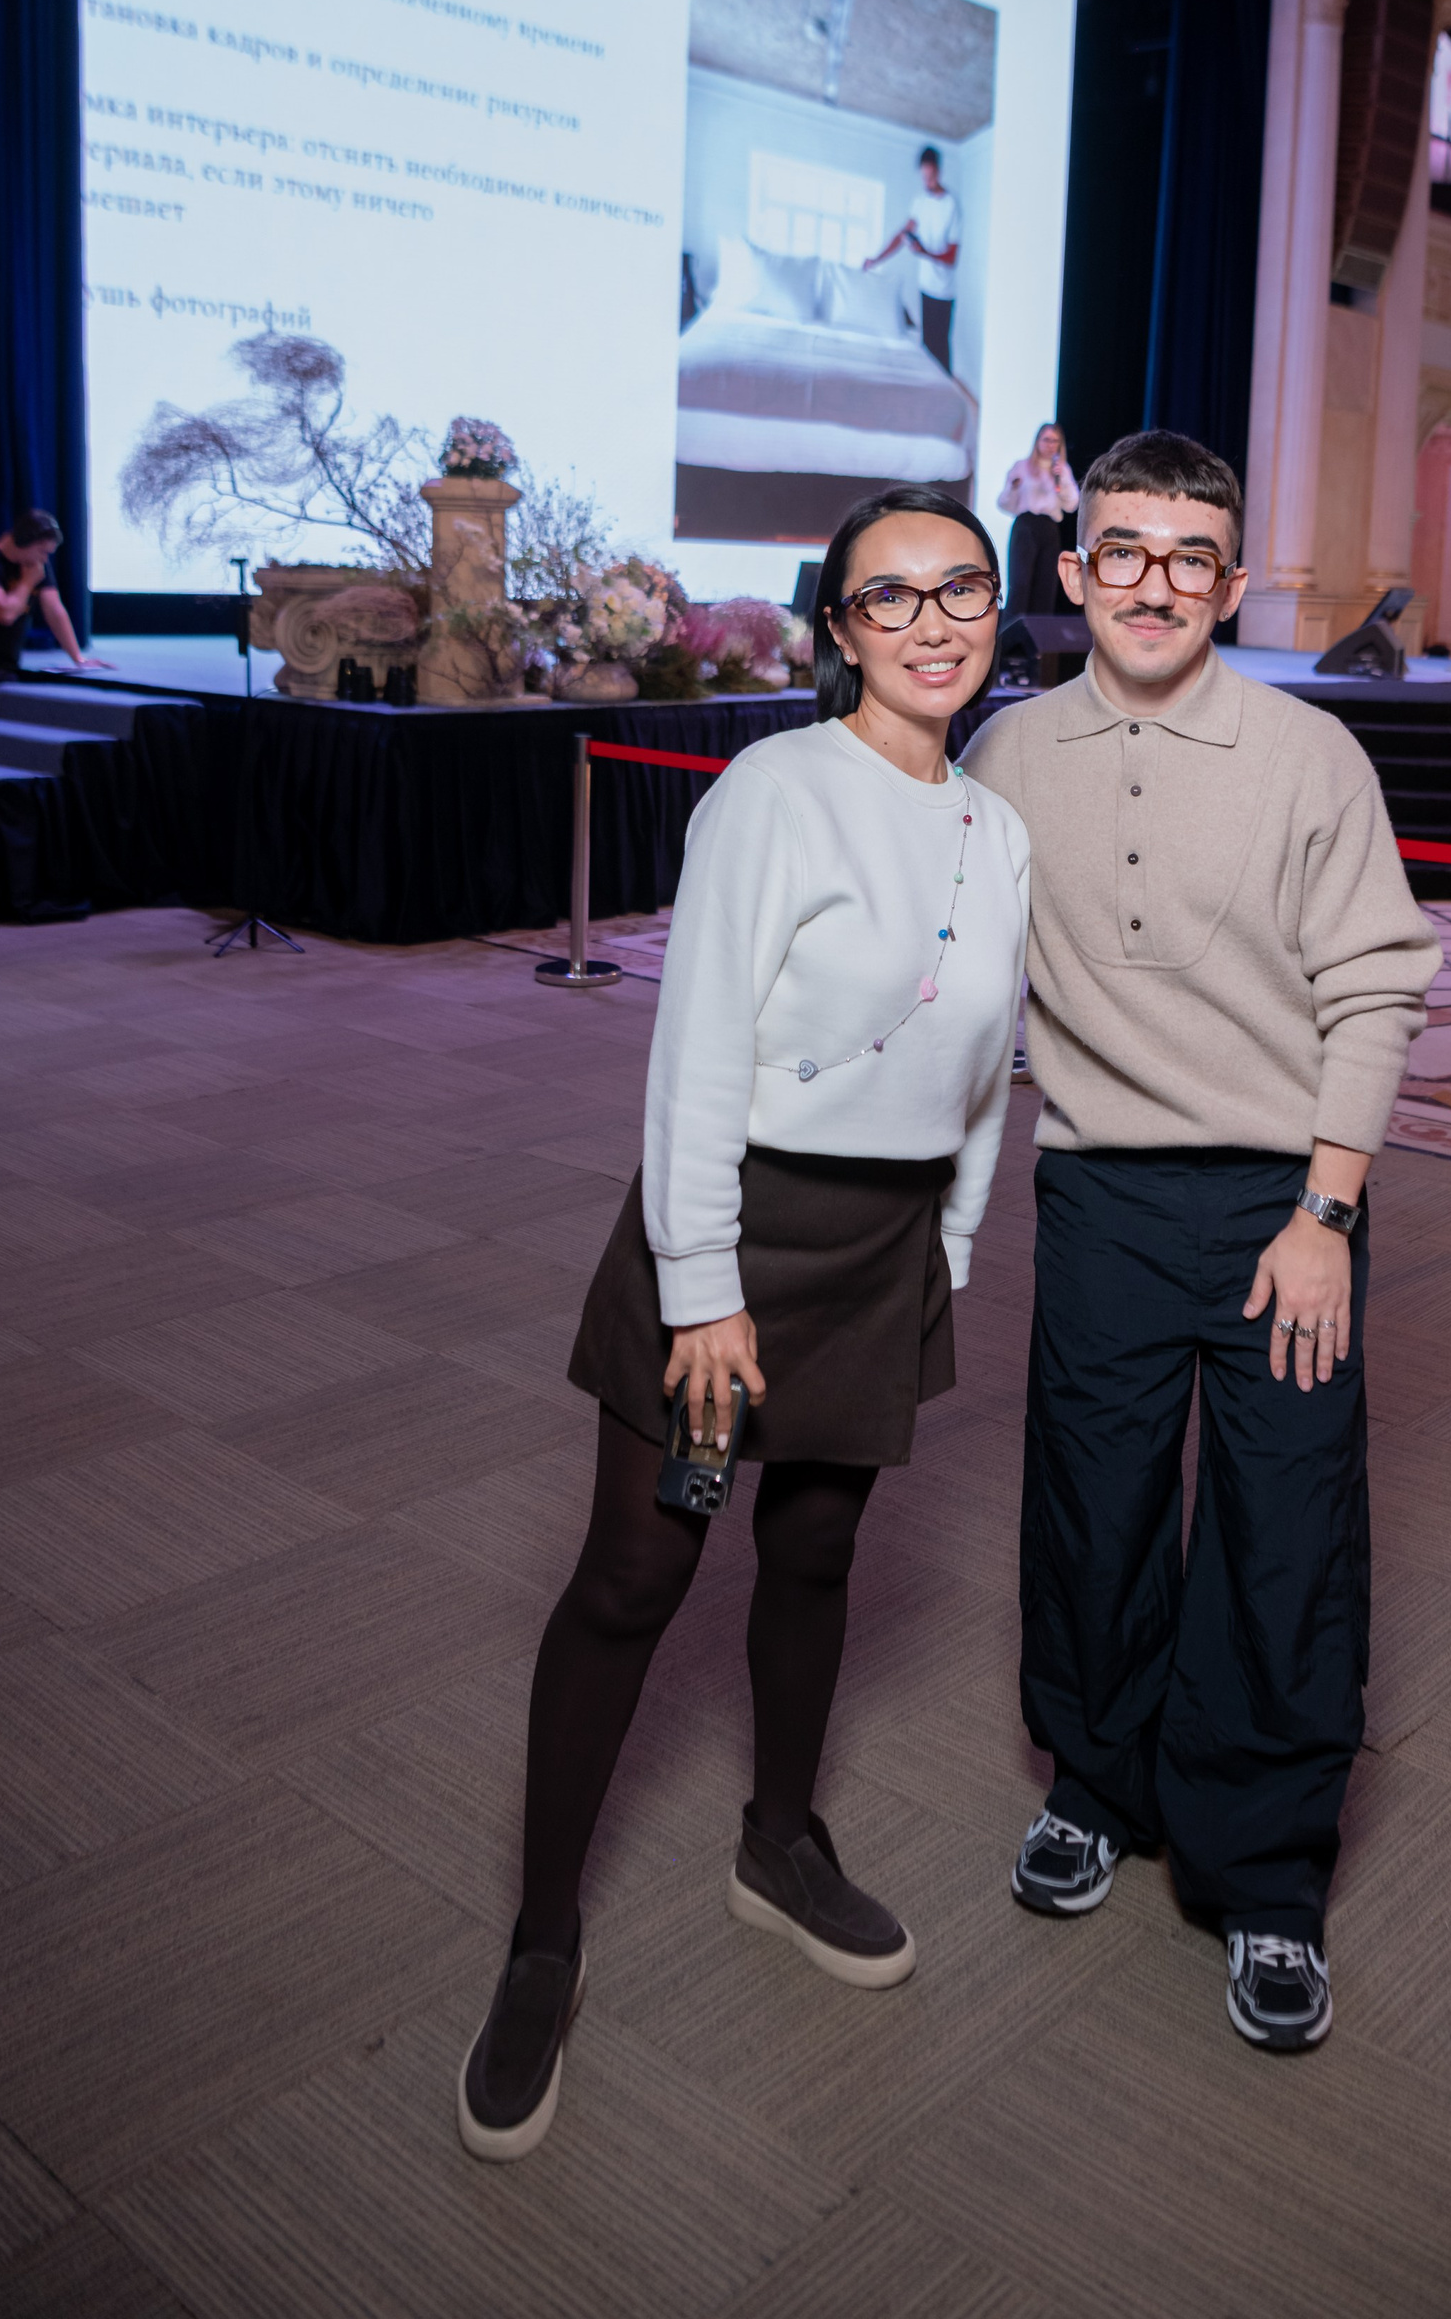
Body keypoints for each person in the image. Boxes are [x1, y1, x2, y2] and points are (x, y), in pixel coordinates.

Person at [458, 483, 1029, 2162]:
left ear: (997, 608)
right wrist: (700, 1285)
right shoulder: (775, 793)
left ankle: (780, 1841)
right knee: (636, 1576)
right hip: (734, 1230)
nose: (931, 622)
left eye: (960, 587)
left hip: (884, 1247)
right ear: (838, 628)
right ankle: (541, 1938)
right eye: (888, 596)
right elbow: (696, 1048)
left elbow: (988, 1066)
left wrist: (956, 1248)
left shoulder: (999, 831)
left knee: (820, 1549)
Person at [963, 430, 1440, 2054]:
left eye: (1190, 557)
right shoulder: (1010, 754)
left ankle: (1266, 1872)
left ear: (1232, 586)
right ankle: (1098, 1784)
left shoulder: (1310, 755)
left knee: (1284, 1531)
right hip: (1101, 1197)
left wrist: (1327, 1212)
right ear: (1076, 569)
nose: (1154, 583)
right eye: (1124, 550)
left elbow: (1376, 985)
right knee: (1091, 1511)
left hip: (1283, 1205)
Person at [0, 510, 113, 710]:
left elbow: (55, 610)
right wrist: (27, 582)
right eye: (42, 551)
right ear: (23, 541)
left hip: (6, 665)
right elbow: (5, 614)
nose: (44, 559)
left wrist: (78, 658)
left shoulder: (34, 564)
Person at [864, 147, 962, 373]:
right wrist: (876, 260)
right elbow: (902, 235)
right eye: (924, 177)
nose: (928, 182)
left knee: (940, 350)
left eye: (931, 176)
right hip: (925, 286)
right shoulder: (920, 202)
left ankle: (945, 390)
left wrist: (925, 252)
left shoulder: (952, 205)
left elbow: (952, 258)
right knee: (927, 347)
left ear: (939, 172)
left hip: (944, 291)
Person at [998, 423, 1079, 617]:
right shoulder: (1022, 466)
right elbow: (1004, 504)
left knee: (1046, 586)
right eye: (1046, 440)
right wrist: (1013, 488)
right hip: (1025, 526)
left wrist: (1061, 479)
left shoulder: (1062, 470)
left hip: (1049, 528)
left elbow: (1072, 505)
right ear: (1037, 442)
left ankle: (1039, 636)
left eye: (1055, 441)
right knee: (1020, 585)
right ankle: (1012, 633)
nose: (1050, 445)